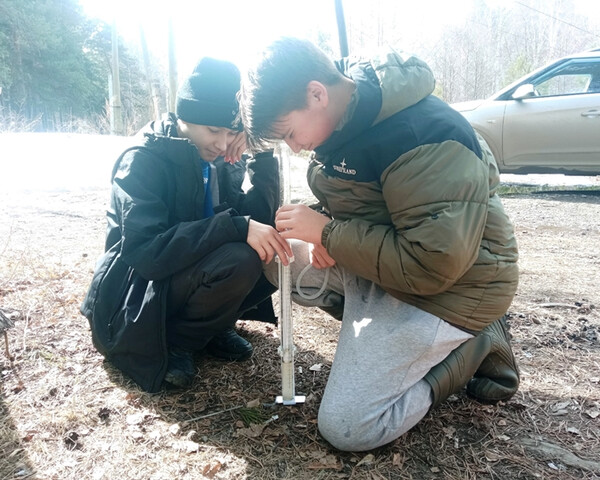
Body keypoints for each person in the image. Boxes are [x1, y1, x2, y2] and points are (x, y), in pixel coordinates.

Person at [239, 37, 520, 452]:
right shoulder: (343, 118)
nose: (295, 147)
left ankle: (472, 346)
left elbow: (431, 264)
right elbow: (376, 204)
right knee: (277, 257)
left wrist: (329, 233)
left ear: (316, 94)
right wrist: (325, 225)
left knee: (349, 428)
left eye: (290, 134)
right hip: (390, 271)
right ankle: (386, 345)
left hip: (450, 290)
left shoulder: (422, 135)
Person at [80, 57, 292, 393]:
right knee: (240, 258)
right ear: (184, 117)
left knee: (273, 249)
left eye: (231, 132)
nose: (222, 143)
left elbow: (258, 223)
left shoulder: (219, 156)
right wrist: (235, 227)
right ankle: (178, 342)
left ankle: (211, 326)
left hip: (185, 274)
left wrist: (261, 154)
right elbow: (146, 252)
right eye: (213, 130)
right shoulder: (142, 159)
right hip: (136, 293)